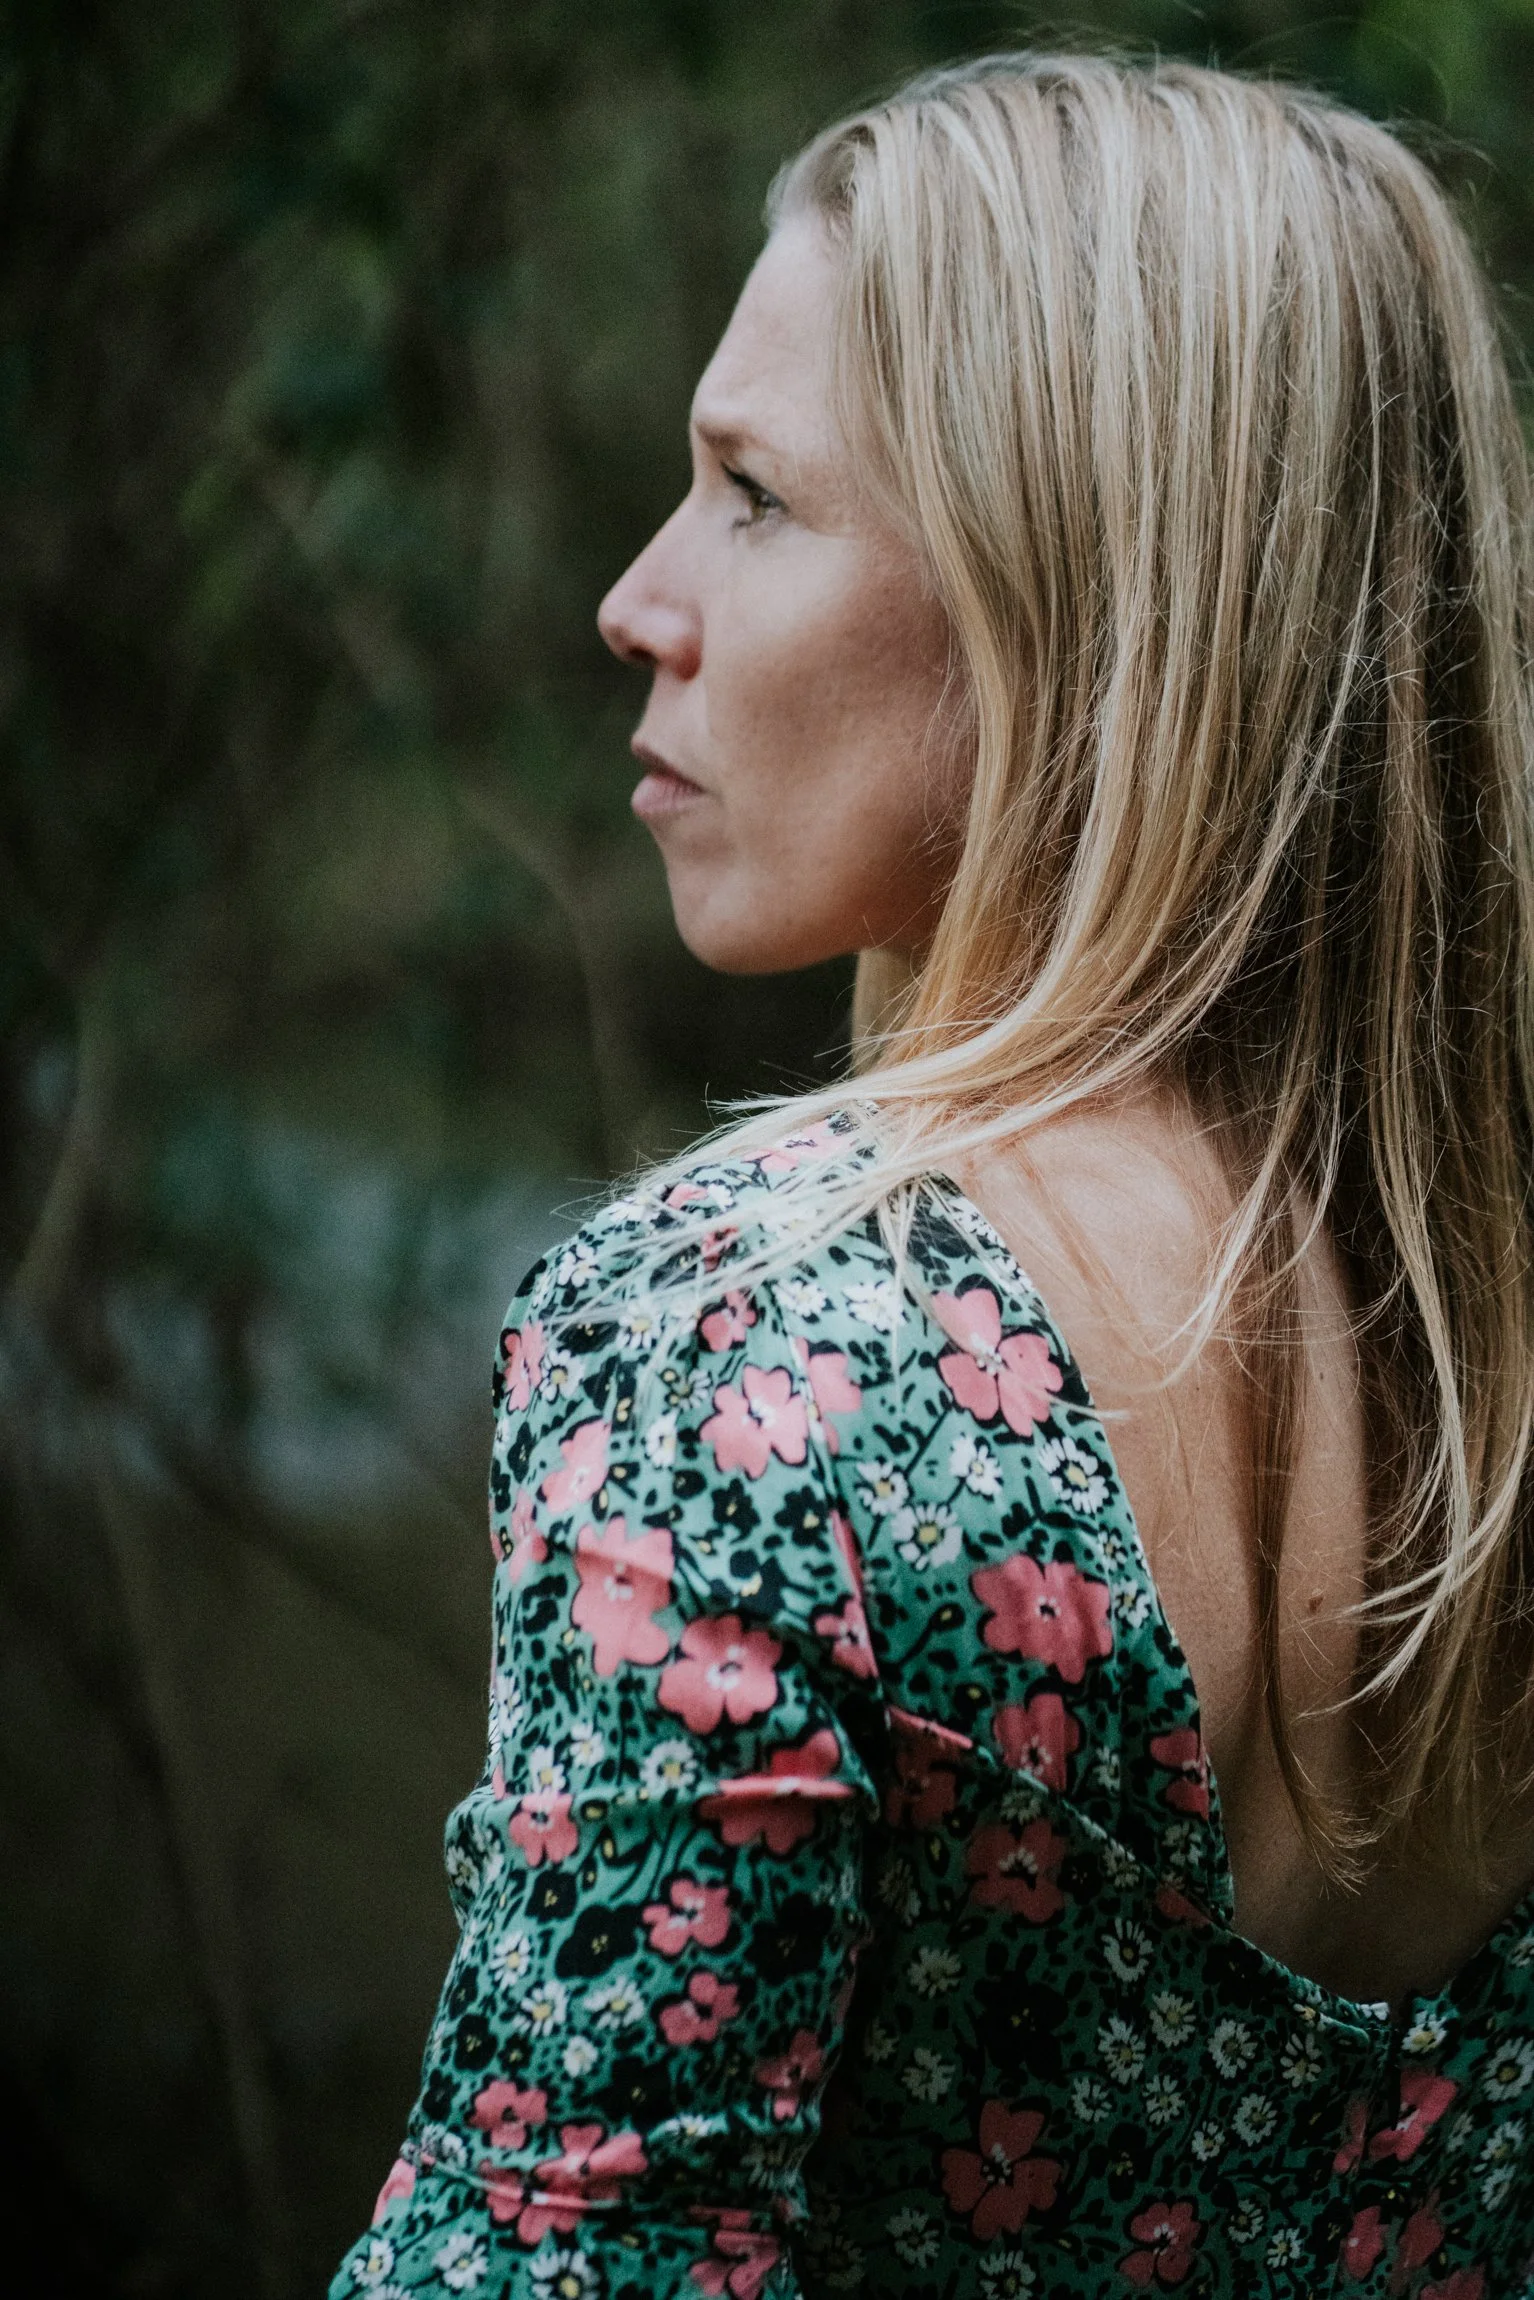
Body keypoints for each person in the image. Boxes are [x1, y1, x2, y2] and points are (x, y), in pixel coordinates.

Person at [331, 54, 1534, 2298]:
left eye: (752, 496)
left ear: (1065, 596)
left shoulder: (744, 1354)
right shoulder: (1490, 1369)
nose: (635, 598)